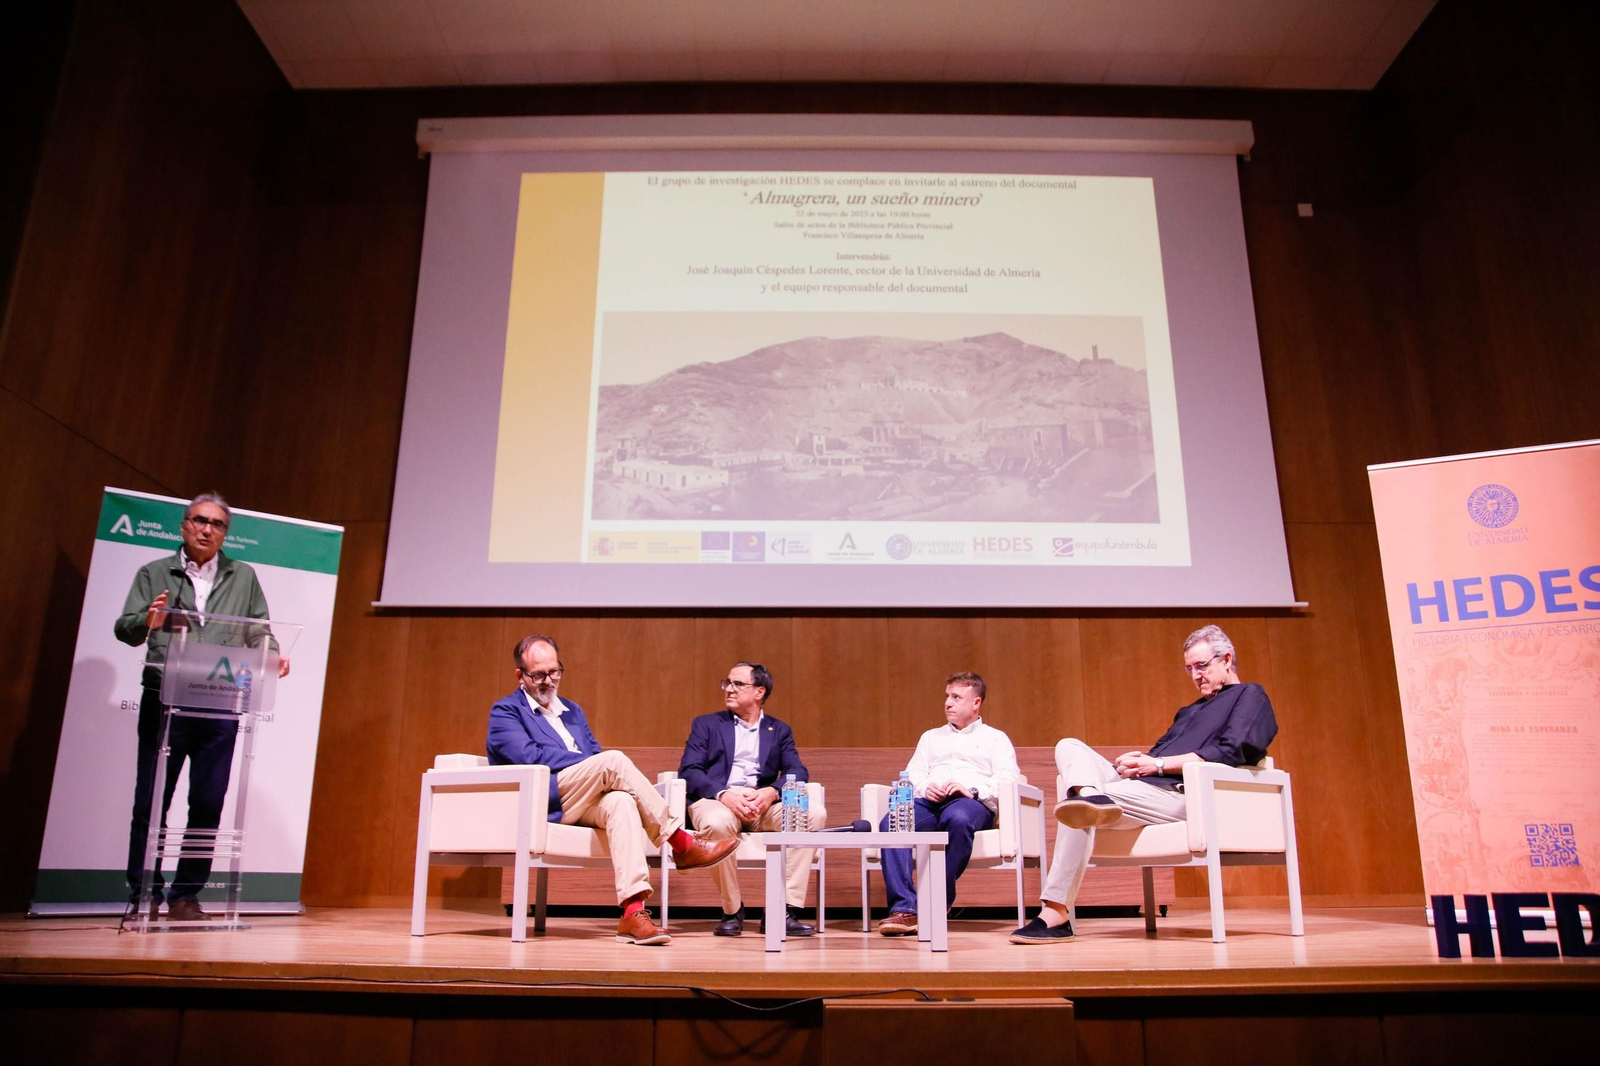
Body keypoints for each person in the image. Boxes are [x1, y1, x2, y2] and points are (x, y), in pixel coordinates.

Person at [1010, 624, 1279, 944]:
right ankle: (1092, 796)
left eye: (1202, 666)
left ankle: (1055, 914)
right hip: (1145, 787)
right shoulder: (1189, 711)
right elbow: (1160, 754)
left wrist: (1158, 764)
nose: (1196, 676)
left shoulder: (1250, 695)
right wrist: (1137, 764)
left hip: (1183, 794)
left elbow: (1231, 751)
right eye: (1190, 669)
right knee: (1068, 746)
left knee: (1076, 806)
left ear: (1227, 659)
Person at [486, 634, 740, 945]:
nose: (549, 681)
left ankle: (633, 912)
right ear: (520, 675)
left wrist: (592, 764)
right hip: (543, 798)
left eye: (554, 672)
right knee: (613, 761)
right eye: (539, 675)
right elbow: (530, 756)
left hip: (579, 798)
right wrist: (588, 763)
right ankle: (680, 841)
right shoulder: (505, 711)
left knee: (621, 801)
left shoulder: (572, 711)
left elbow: (594, 755)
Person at [114, 492, 290, 922]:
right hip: (165, 700)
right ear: (184, 526)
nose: (207, 529)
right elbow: (125, 629)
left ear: (225, 533)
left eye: (217, 524)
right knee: (151, 802)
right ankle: (144, 894)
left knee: (208, 803)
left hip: (219, 702)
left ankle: (185, 896)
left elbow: (259, 629)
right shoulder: (155, 572)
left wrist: (272, 653)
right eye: (199, 520)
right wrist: (148, 620)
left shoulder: (243, 575)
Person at [678, 661, 825, 938]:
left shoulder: (779, 730)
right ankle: (732, 909)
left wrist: (772, 792)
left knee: (812, 814)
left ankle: (782, 909)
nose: (728, 689)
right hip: (718, 801)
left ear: (759, 692)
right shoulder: (707, 724)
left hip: (761, 806)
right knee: (716, 822)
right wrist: (724, 794)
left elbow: (797, 770)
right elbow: (690, 770)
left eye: (737, 684)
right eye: (727, 683)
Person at [877, 671, 1019, 936]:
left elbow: (1007, 778)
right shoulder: (931, 737)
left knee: (958, 818)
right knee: (892, 822)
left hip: (971, 803)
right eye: (947, 696)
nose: (948, 703)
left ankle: (937, 899)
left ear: (976, 703)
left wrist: (971, 790)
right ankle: (904, 909)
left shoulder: (996, 738)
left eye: (956, 697)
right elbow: (914, 773)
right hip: (931, 803)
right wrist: (925, 787)